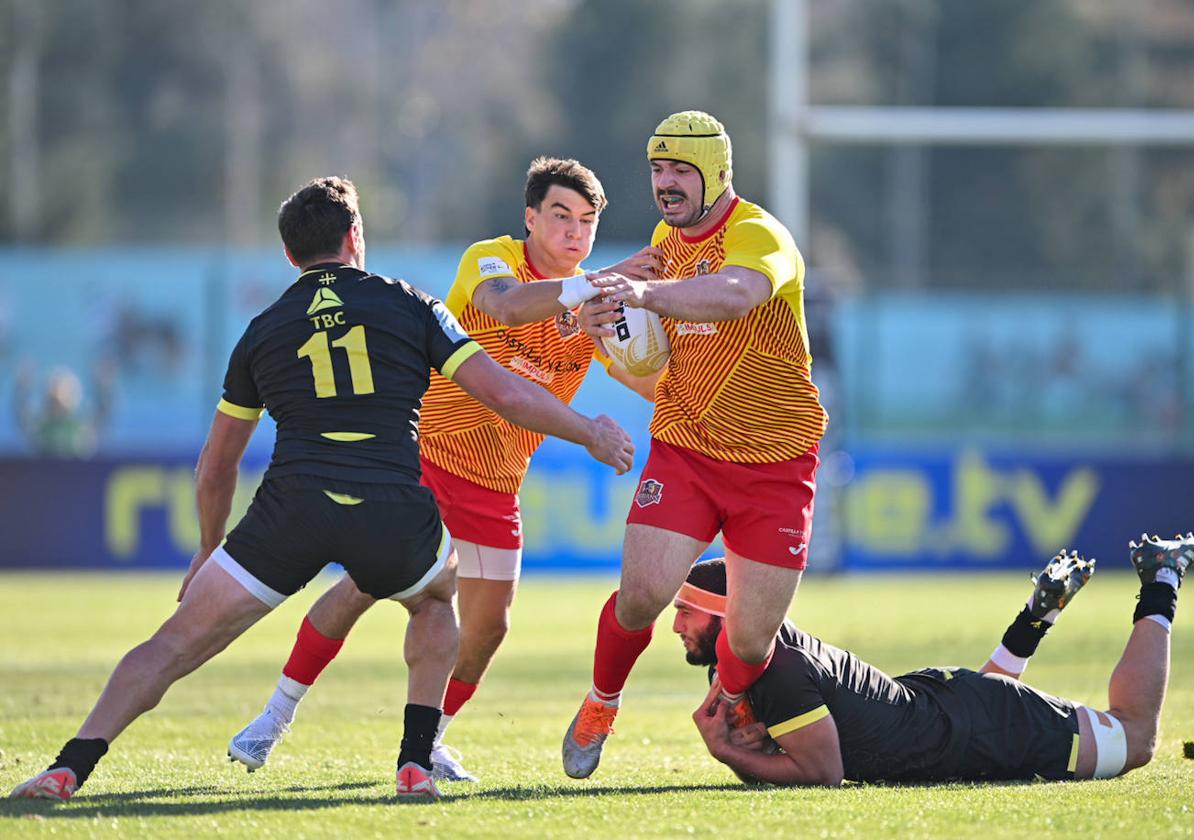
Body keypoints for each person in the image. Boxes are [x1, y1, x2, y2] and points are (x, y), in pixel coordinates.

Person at [9, 176, 634, 803]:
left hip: (292, 508)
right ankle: (415, 760)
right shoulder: (410, 303)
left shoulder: (262, 329)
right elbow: (505, 392)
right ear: (355, 236)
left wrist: (207, 547)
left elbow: (217, 463)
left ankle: (69, 766)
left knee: (171, 644)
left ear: (290, 255)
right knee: (438, 599)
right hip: (391, 502)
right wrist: (589, 432)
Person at [224, 158, 661, 784]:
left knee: (488, 628)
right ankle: (273, 716)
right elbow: (504, 308)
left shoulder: (597, 307)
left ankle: (430, 742)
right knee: (360, 588)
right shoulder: (494, 261)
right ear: (530, 218)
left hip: (499, 482)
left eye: (588, 222)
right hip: (424, 461)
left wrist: (696, 371)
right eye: (561, 216)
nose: (575, 232)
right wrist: (598, 283)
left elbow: (645, 378)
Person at [562, 110, 828, 778]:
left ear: (716, 174)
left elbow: (736, 294)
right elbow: (649, 363)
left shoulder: (760, 235)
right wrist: (601, 331)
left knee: (748, 637)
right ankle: (601, 703)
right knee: (642, 595)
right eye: (657, 169)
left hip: (777, 461)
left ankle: (733, 698)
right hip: (687, 449)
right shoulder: (664, 240)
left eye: (681, 169)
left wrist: (645, 295)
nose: (666, 184)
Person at [677, 534, 1193, 785]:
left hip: (968, 721)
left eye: (687, 612)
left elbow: (823, 773)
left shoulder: (778, 669)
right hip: (951, 711)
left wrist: (728, 753)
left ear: (728, 614)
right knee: (990, 712)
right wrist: (759, 753)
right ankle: (1034, 619)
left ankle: (1163, 577)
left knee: (1136, 739)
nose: (676, 625)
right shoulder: (751, 659)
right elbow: (788, 765)